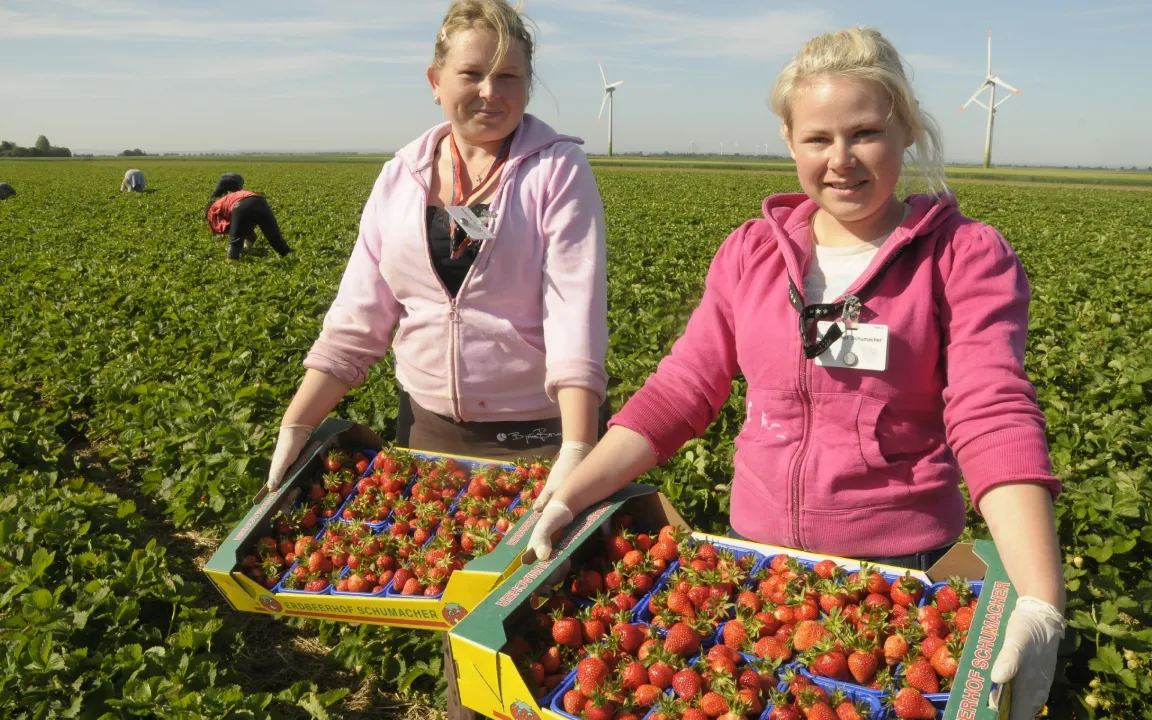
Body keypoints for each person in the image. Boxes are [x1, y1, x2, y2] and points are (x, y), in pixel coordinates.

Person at [525, 27, 1067, 720]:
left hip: (899, 586)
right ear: (788, 139)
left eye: (865, 132)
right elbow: (683, 389)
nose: (841, 160)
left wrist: (1040, 599)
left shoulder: (961, 256)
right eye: (818, 139)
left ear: (904, 127)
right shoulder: (752, 253)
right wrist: (573, 493)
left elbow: (990, 409)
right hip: (760, 569)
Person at [261, 1, 608, 717]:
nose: (491, 92)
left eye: (510, 76)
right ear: (435, 79)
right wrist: (299, 420)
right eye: (472, 74)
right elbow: (360, 315)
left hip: (539, 437)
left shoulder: (556, 172)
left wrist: (577, 446)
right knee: (459, 626)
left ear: (530, 83)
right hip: (431, 438)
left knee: (539, 635)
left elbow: (576, 312)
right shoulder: (400, 177)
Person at [205, 189, 292, 260]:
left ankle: (232, 261)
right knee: (274, 236)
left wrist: (236, 236)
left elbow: (226, 228)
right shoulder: (226, 200)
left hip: (241, 205)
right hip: (260, 201)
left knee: (235, 239)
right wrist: (247, 246)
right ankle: (289, 256)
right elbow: (251, 235)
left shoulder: (212, 209)